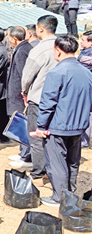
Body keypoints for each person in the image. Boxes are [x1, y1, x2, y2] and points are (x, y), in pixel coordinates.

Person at [32, 35, 92, 206]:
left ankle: (59, 196)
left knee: (57, 162)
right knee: (72, 161)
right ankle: (69, 192)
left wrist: (41, 126)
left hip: (58, 126)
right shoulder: (87, 72)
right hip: (79, 125)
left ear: (58, 51)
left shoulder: (57, 72)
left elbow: (47, 102)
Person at [21, 15, 58, 185]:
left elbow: (27, 76)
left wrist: (25, 91)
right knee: (54, 138)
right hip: (58, 100)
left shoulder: (39, 50)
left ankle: (38, 173)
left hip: (39, 99)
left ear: (40, 29)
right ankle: (53, 171)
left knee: (36, 137)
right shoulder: (62, 46)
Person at [6, 26, 33, 168]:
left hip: (20, 95)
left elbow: (24, 75)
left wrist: (24, 93)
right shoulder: (22, 48)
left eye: (9, 37)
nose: (8, 40)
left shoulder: (23, 51)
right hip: (17, 93)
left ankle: (26, 156)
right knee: (19, 122)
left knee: (23, 124)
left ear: (14, 38)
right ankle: (22, 152)